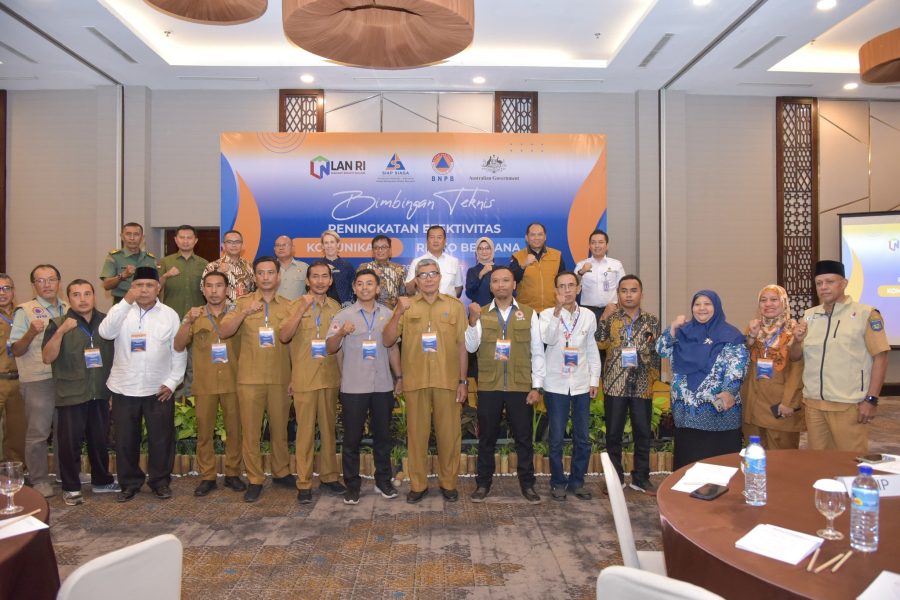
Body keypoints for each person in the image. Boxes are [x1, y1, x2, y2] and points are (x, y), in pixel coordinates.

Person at [98, 267, 187, 502]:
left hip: (158, 389)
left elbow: (178, 350)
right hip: (124, 387)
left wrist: (173, 381)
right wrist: (126, 301)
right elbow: (105, 333)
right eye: (139, 285)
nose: (144, 290)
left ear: (158, 288)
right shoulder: (121, 310)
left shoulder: (169, 314)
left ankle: (160, 482)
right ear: (132, 287)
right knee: (125, 440)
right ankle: (129, 483)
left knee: (161, 439)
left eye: (149, 285)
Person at [384, 258, 467, 503]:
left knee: (449, 436)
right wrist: (398, 312)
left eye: (433, 274)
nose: (428, 279)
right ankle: (418, 485)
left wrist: (463, 381)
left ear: (440, 277)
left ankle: (448, 483)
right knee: (416, 437)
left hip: (447, 380)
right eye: (423, 275)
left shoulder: (454, 306)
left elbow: (462, 346)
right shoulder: (406, 306)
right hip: (415, 381)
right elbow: (388, 340)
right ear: (416, 280)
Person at [790, 260, 890, 453]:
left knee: (849, 463)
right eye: (819, 283)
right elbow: (795, 358)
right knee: (818, 462)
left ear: (844, 283)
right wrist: (796, 341)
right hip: (814, 405)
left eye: (830, 281)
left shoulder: (865, 314)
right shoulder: (809, 316)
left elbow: (881, 357)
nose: (823, 287)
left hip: (848, 405)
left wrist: (871, 399)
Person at [465, 266, 545, 504]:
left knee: (524, 438)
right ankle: (483, 484)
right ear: (490, 287)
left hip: (520, 385)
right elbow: (470, 347)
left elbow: (537, 352)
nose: (501, 285)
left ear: (514, 285)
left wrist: (537, 387)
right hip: (489, 385)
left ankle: (527, 485)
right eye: (496, 281)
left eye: (505, 280)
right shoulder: (480, 313)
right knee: (486, 438)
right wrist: (472, 321)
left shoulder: (529, 314)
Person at [218, 256, 293, 503]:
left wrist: (294, 376)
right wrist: (244, 313)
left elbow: (294, 344)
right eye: (261, 272)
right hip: (249, 378)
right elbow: (224, 331)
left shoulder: (289, 305)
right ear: (255, 276)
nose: (266, 277)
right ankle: (255, 479)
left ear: (278, 277)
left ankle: (281, 472)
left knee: (280, 429)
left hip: (280, 378)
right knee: (251, 433)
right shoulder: (241, 303)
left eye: (270, 272)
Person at [326, 269, 402, 504]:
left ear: (378, 288)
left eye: (370, 283)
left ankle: (383, 481)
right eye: (360, 283)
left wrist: (399, 377)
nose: (365, 287)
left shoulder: (388, 314)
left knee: (383, 437)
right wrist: (341, 333)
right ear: (354, 288)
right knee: (351, 440)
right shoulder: (343, 315)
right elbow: (330, 348)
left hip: (382, 385)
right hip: (354, 386)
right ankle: (352, 485)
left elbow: (393, 348)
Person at [41, 280, 119, 506]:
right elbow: (47, 357)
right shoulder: (58, 323)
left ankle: (101, 481)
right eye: (76, 294)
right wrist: (62, 332)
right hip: (71, 393)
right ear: (69, 299)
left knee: (99, 439)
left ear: (94, 296)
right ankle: (71, 487)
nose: (82, 299)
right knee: (70, 443)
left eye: (87, 293)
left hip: (100, 391)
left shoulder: (106, 321)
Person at [656, 290, 748, 470]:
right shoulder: (683, 332)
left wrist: (729, 391)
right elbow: (661, 350)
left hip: (717, 413)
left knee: (719, 468)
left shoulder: (730, 334)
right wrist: (672, 327)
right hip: (686, 412)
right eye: (697, 304)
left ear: (716, 306)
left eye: (707, 304)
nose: (702, 308)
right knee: (688, 466)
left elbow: (737, 367)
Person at [278, 261, 347, 503]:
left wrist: (343, 377)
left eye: (324, 276)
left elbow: (338, 347)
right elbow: (284, 336)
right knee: (305, 434)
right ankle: (304, 483)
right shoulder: (295, 305)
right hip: (304, 378)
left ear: (330, 280)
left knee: (328, 431)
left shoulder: (336, 307)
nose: (319, 281)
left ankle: (329, 477)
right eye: (315, 277)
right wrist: (301, 309)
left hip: (329, 378)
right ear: (307, 281)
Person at [173, 270, 246, 497]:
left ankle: (233, 473)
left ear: (227, 289)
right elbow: (178, 345)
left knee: (235, 431)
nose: (214, 291)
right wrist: (188, 321)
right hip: (205, 383)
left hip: (233, 381)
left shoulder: (236, 314)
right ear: (203, 290)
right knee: (204, 433)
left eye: (219, 286)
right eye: (209, 286)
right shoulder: (194, 315)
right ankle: (207, 476)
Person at [595, 275, 660, 495]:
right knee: (613, 435)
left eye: (633, 290)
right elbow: (600, 342)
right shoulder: (612, 318)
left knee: (643, 434)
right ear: (618, 294)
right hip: (615, 384)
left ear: (641, 293)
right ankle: (615, 479)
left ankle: (641, 478)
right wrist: (604, 316)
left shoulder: (652, 321)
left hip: (642, 385)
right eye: (624, 291)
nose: (629, 295)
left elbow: (657, 354)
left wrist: (652, 378)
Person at [540, 271, 601, 501]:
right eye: (562, 286)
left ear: (578, 288)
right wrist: (557, 312)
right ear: (555, 290)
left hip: (581, 384)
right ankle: (557, 482)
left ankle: (577, 482)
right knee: (556, 438)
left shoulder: (588, 316)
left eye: (571, 285)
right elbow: (548, 339)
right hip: (556, 384)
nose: (567, 290)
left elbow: (591, 349)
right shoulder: (546, 314)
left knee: (582, 437)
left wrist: (594, 379)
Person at [9, 264, 68, 497]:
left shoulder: (68, 307)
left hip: (65, 379)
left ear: (59, 282)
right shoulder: (25, 311)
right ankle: (40, 479)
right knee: (38, 433)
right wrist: (31, 332)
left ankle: (65, 474)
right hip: (37, 379)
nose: (47, 284)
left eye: (51, 279)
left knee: (65, 431)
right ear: (33, 285)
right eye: (41, 280)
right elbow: (15, 349)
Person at [740, 285, 805, 450]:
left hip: (779, 406)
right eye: (763, 300)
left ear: (784, 303)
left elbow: (798, 369)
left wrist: (789, 402)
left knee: (781, 459)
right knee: (755, 455)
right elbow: (740, 360)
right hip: (752, 406)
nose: (768, 304)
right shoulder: (753, 329)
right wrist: (751, 337)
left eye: (774, 299)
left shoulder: (794, 332)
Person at [510, 222, 566, 312]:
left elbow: (563, 281)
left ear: (545, 237)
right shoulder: (517, 256)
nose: (536, 238)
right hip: (526, 310)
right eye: (533, 235)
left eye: (540, 234)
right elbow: (511, 281)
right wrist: (523, 266)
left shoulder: (557, 255)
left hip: (552, 309)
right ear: (526, 238)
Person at [158, 225, 209, 320]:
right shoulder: (165, 262)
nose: (185, 241)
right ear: (176, 240)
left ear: (195, 240)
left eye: (189, 238)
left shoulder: (205, 263)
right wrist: (166, 276)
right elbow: (155, 288)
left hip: (198, 316)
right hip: (171, 315)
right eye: (182, 237)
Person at [0, 274, 25, 464]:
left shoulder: (22, 315)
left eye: (6, 288)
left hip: (18, 381)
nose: (2, 293)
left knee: (18, 433)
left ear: (13, 291)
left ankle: (15, 473)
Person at [99, 222, 158, 304]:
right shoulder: (114, 257)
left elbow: (157, 285)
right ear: (122, 236)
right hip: (122, 301)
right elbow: (106, 285)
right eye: (128, 234)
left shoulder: (150, 259)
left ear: (142, 238)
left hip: (146, 303)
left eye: (136, 234)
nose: (132, 238)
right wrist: (123, 276)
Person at [575, 230, 625, 322]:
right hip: (588, 311)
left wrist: (619, 307)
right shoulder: (581, 265)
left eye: (601, 242)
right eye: (593, 243)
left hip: (611, 310)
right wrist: (581, 272)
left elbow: (623, 288)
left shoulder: (616, 265)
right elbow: (574, 287)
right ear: (589, 246)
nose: (597, 245)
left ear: (607, 245)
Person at [405, 225, 464, 298]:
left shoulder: (454, 261)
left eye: (439, 237)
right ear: (427, 241)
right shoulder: (416, 262)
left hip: (449, 304)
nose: (435, 241)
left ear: (445, 241)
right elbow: (409, 290)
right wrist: (421, 275)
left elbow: (458, 288)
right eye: (432, 237)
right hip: (425, 304)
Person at [203, 230, 255, 302]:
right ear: (223, 246)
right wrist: (218, 272)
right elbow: (204, 290)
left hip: (245, 307)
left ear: (242, 245)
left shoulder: (250, 266)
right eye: (229, 242)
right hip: (222, 308)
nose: (234, 245)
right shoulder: (212, 266)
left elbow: (255, 291)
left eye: (237, 242)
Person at [357, 235, 407, 309]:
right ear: (372, 251)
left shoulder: (399, 269)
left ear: (390, 250)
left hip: (393, 313)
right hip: (367, 312)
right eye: (376, 248)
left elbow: (403, 295)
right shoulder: (363, 268)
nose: (380, 250)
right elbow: (357, 292)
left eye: (383, 247)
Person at [320, 230, 355, 306]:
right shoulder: (317, 266)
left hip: (344, 308)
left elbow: (354, 289)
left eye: (332, 242)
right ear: (322, 246)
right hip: (323, 307)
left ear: (338, 244)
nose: (329, 245)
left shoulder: (347, 266)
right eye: (326, 243)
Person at [274, 235, 309, 300]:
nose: (281, 248)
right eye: (278, 245)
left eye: (284, 245)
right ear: (274, 249)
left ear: (292, 248)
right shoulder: (269, 268)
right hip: (273, 306)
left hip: (299, 306)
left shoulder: (304, 267)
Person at [465, 237, 495, 306]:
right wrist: (480, 275)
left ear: (492, 250)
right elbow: (469, 294)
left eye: (487, 248)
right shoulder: (472, 271)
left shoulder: (499, 270)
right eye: (480, 249)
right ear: (477, 251)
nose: (484, 251)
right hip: (479, 310)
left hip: (497, 310)